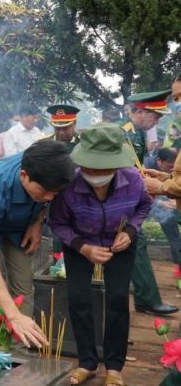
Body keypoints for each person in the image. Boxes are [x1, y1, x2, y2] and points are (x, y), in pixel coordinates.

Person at [49, 123, 152, 386]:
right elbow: (58, 222)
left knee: (118, 300)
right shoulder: (68, 184)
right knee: (79, 299)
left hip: (121, 246)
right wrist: (81, 246)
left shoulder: (134, 179)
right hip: (79, 246)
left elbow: (143, 206)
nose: (94, 173)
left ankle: (115, 368)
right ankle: (87, 363)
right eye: (89, 167)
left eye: (102, 169)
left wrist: (129, 231)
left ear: (117, 165)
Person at [0, 141, 75, 352]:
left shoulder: (46, 164)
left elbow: (47, 198)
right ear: (23, 176)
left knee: (23, 283)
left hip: (20, 224)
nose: (49, 198)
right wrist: (12, 314)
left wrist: (38, 222)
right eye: (45, 191)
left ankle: (19, 352)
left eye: (55, 193)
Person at [117, 89, 178, 316]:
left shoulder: (139, 133)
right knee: (135, 243)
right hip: (117, 201)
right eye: (155, 116)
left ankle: (146, 299)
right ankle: (146, 300)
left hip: (129, 198)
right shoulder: (120, 132)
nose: (157, 121)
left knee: (135, 244)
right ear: (140, 111)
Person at [143, 148, 180, 264]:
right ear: (158, 160)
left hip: (169, 199)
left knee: (171, 224)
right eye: (170, 167)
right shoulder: (146, 164)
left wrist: (164, 188)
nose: (172, 170)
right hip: (150, 206)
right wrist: (164, 177)